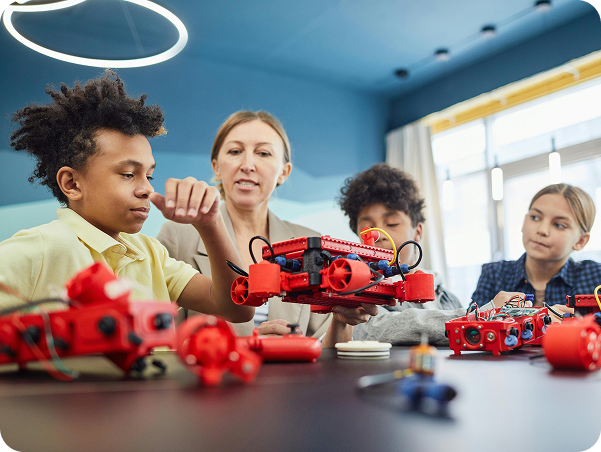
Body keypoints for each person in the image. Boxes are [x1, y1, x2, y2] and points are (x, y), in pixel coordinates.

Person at [0, 71, 253, 325]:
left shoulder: (150, 253)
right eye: (128, 174)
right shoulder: (37, 251)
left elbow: (237, 309)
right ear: (72, 184)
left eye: (149, 176)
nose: (146, 189)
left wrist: (210, 224)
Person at [157, 110, 377, 346]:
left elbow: (325, 351)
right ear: (216, 167)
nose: (247, 164)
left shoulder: (312, 243)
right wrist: (247, 346)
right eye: (235, 151)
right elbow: (159, 339)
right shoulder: (177, 236)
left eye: (263, 153)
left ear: (284, 172)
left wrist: (342, 319)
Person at [338, 163, 469, 345]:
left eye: (391, 224)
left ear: (418, 231)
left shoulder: (447, 298)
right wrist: (474, 319)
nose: (379, 236)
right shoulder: (361, 295)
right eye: (368, 229)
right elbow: (377, 327)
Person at [472, 183, 600, 315]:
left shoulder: (596, 276)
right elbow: (467, 328)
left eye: (559, 225)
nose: (542, 230)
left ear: (580, 241)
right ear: (524, 222)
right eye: (535, 217)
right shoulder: (494, 274)